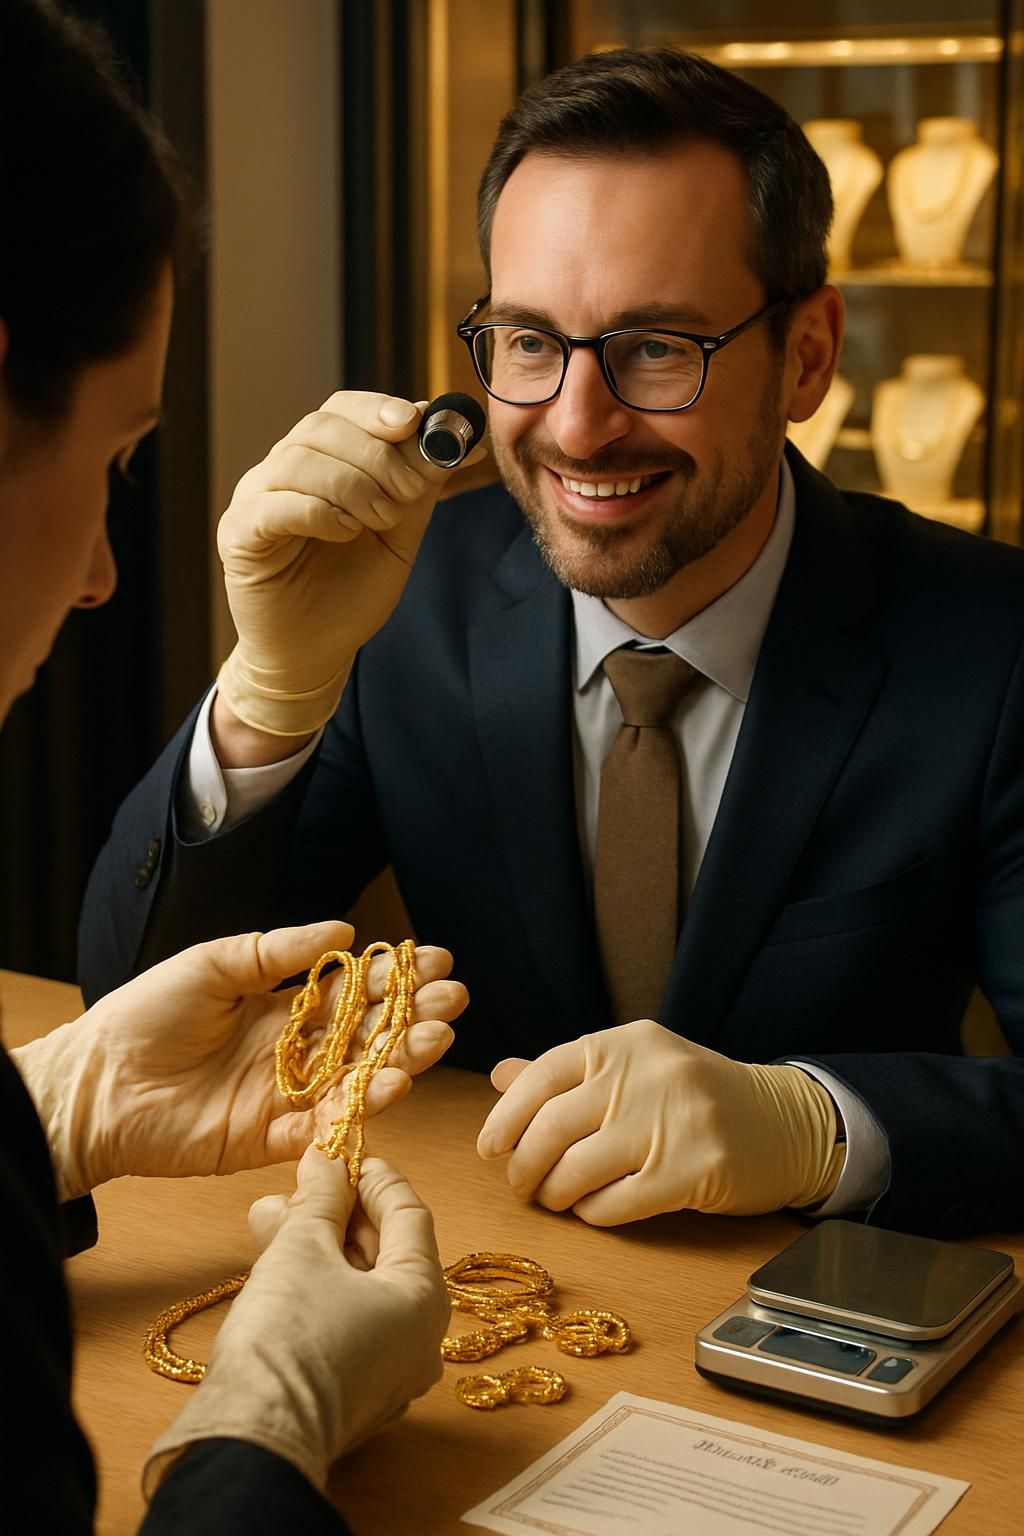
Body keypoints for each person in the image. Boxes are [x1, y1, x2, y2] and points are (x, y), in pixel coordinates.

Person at [81, 48, 1024, 1242]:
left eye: (656, 348)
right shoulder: (401, 596)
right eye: (530, 342)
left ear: (807, 357)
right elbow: (134, 1018)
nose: (578, 428)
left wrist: (817, 1123)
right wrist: (267, 691)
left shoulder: (992, 645)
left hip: (832, 1331)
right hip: (478, 1287)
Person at [1, 3, 467, 1530]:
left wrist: (50, 1107)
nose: (98, 582)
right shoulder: (415, 619)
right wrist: (258, 1436)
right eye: (123, 454)